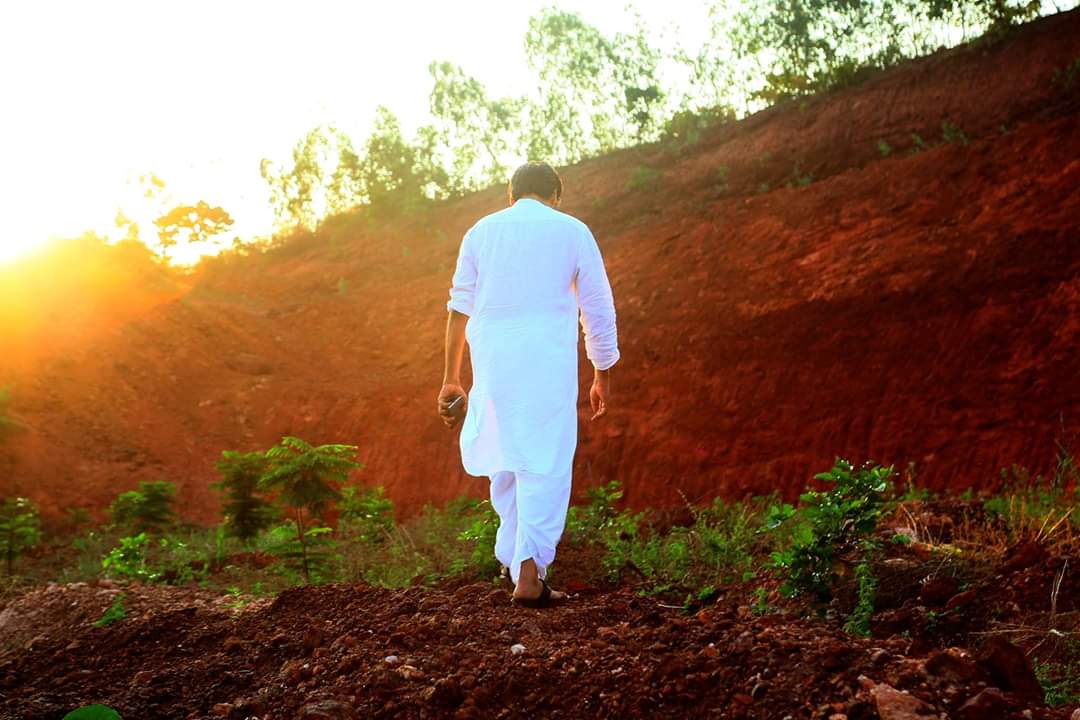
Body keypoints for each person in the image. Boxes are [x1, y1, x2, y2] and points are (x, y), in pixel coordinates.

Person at [438, 161, 620, 608]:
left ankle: (516, 561)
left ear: (511, 194)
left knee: (506, 461)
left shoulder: (480, 233)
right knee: (546, 462)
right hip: (547, 365)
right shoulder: (573, 231)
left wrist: (451, 379)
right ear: (555, 196)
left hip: (494, 365)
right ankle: (529, 572)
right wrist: (601, 373)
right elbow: (597, 309)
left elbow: (459, 309)